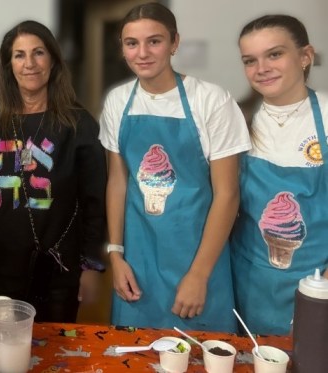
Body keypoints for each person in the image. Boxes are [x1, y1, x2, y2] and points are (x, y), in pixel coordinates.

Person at [99, 2, 251, 332]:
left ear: (174, 43)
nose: (142, 53)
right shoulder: (117, 101)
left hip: (198, 257)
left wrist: (199, 274)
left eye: (154, 41)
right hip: (138, 261)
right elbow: (118, 182)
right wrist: (115, 253)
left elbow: (227, 195)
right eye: (131, 43)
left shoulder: (211, 100)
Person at [0, 20, 107, 323]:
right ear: (9, 65)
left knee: (55, 358)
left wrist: (92, 266)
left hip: (58, 271)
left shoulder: (78, 124)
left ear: (54, 60)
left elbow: (95, 200)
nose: (29, 64)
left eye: (38, 53)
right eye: (19, 55)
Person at [231, 14, 328, 335]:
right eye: (250, 60)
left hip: (317, 283)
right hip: (246, 279)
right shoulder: (235, 119)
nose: (262, 68)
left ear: (305, 56)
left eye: (275, 54)